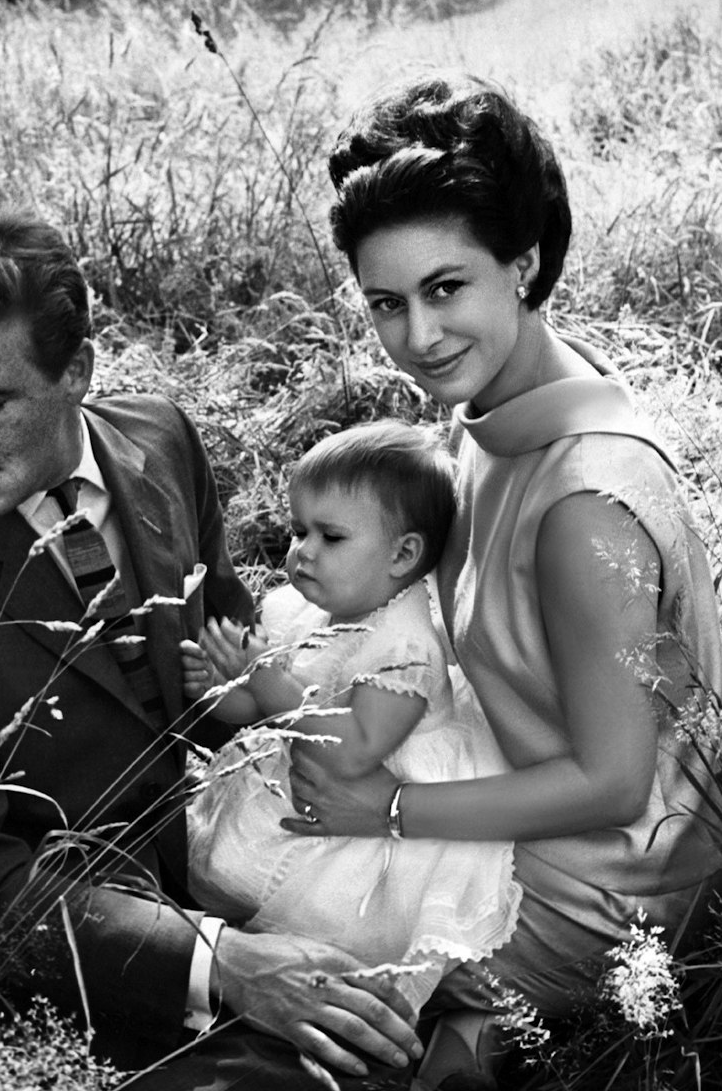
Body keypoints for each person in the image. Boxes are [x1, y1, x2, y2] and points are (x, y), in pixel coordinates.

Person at [0, 209, 424, 1086]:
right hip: (94, 980)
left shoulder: (160, 437)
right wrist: (224, 965)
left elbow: (232, 665)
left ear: (78, 373)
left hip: (263, 861)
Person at [291, 71, 722, 1086]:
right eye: (386, 304)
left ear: (524, 264)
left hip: (614, 884)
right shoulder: (504, 396)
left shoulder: (581, 502)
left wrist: (386, 813)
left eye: (447, 289)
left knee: (302, 939)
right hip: (553, 793)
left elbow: (615, 782)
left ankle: (489, 1032)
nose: (419, 339)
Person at [181, 422, 520, 1021]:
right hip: (304, 779)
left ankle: (313, 977)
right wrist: (221, 687)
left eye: (330, 536)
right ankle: (237, 962)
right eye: (297, 531)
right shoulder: (308, 609)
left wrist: (264, 677)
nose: (302, 551)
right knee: (225, 872)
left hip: (358, 824)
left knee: (320, 919)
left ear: (403, 554)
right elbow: (258, 712)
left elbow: (358, 748)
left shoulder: (406, 646)